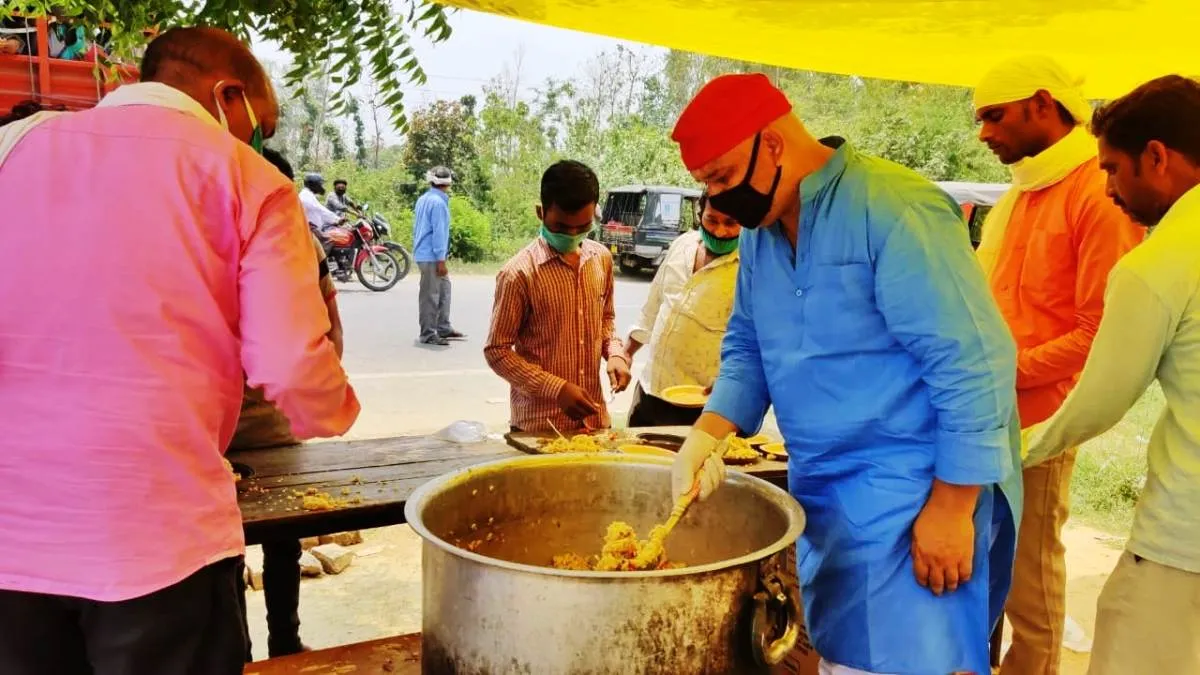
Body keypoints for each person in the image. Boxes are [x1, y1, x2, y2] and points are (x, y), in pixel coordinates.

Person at [0, 27, 359, 675]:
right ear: (229, 95)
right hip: (161, 548)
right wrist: (333, 412)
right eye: (261, 124)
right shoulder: (247, 177)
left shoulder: (10, 147)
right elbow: (292, 369)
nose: (257, 138)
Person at [669, 73, 1020, 675]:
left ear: (772, 144)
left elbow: (973, 362)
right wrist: (707, 433)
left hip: (916, 497)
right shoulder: (762, 235)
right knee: (841, 658)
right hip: (828, 493)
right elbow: (749, 345)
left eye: (724, 178)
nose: (721, 201)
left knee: (913, 663)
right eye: (707, 187)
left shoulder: (894, 207)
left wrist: (953, 508)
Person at [1024, 74, 1200, 675]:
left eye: (1113, 169)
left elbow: (1099, 403)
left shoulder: (1159, 263)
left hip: (1185, 538)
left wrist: (1007, 452)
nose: (1108, 188)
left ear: (1157, 157)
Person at [973, 55, 1144, 674]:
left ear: (1043, 105)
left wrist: (998, 371)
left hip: (1042, 428)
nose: (984, 133)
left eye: (995, 115)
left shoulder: (1096, 194)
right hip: (984, 417)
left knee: (1029, 583)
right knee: (982, 569)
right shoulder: (1021, 195)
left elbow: (1099, 335)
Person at [231, 147, 345, 659]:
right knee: (229, 546)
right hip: (222, 425)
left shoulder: (305, 245)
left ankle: (281, 643)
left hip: (271, 424)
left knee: (281, 538)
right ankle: (248, 649)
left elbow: (329, 325)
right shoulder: (225, 236)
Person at [484, 160, 632, 433]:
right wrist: (556, 388)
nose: (572, 235)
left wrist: (614, 354)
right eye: (561, 228)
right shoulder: (518, 273)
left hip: (595, 423)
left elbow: (606, 318)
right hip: (540, 426)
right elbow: (497, 351)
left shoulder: (601, 259)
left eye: (583, 227)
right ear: (541, 213)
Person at [623, 192, 741, 427]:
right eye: (712, 220)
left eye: (731, 223)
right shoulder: (681, 245)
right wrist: (626, 354)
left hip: (704, 406)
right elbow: (652, 308)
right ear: (699, 215)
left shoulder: (750, 267)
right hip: (650, 391)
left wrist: (735, 382)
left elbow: (759, 340)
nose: (720, 231)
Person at [413, 165, 464, 346]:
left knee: (444, 289)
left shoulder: (424, 199)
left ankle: (443, 327)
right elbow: (439, 233)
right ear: (448, 183)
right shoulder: (439, 203)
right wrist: (441, 260)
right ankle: (427, 333)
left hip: (425, 254)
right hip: (432, 256)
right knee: (430, 295)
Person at [299, 172, 343, 251]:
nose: (321, 187)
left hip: (311, 229)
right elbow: (321, 211)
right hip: (309, 231)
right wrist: (337, 219)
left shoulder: (308, 195)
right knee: (329, 241)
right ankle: (322, 262)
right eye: (320, 184)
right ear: (314, 185)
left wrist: (335, 220)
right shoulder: (306, 196)